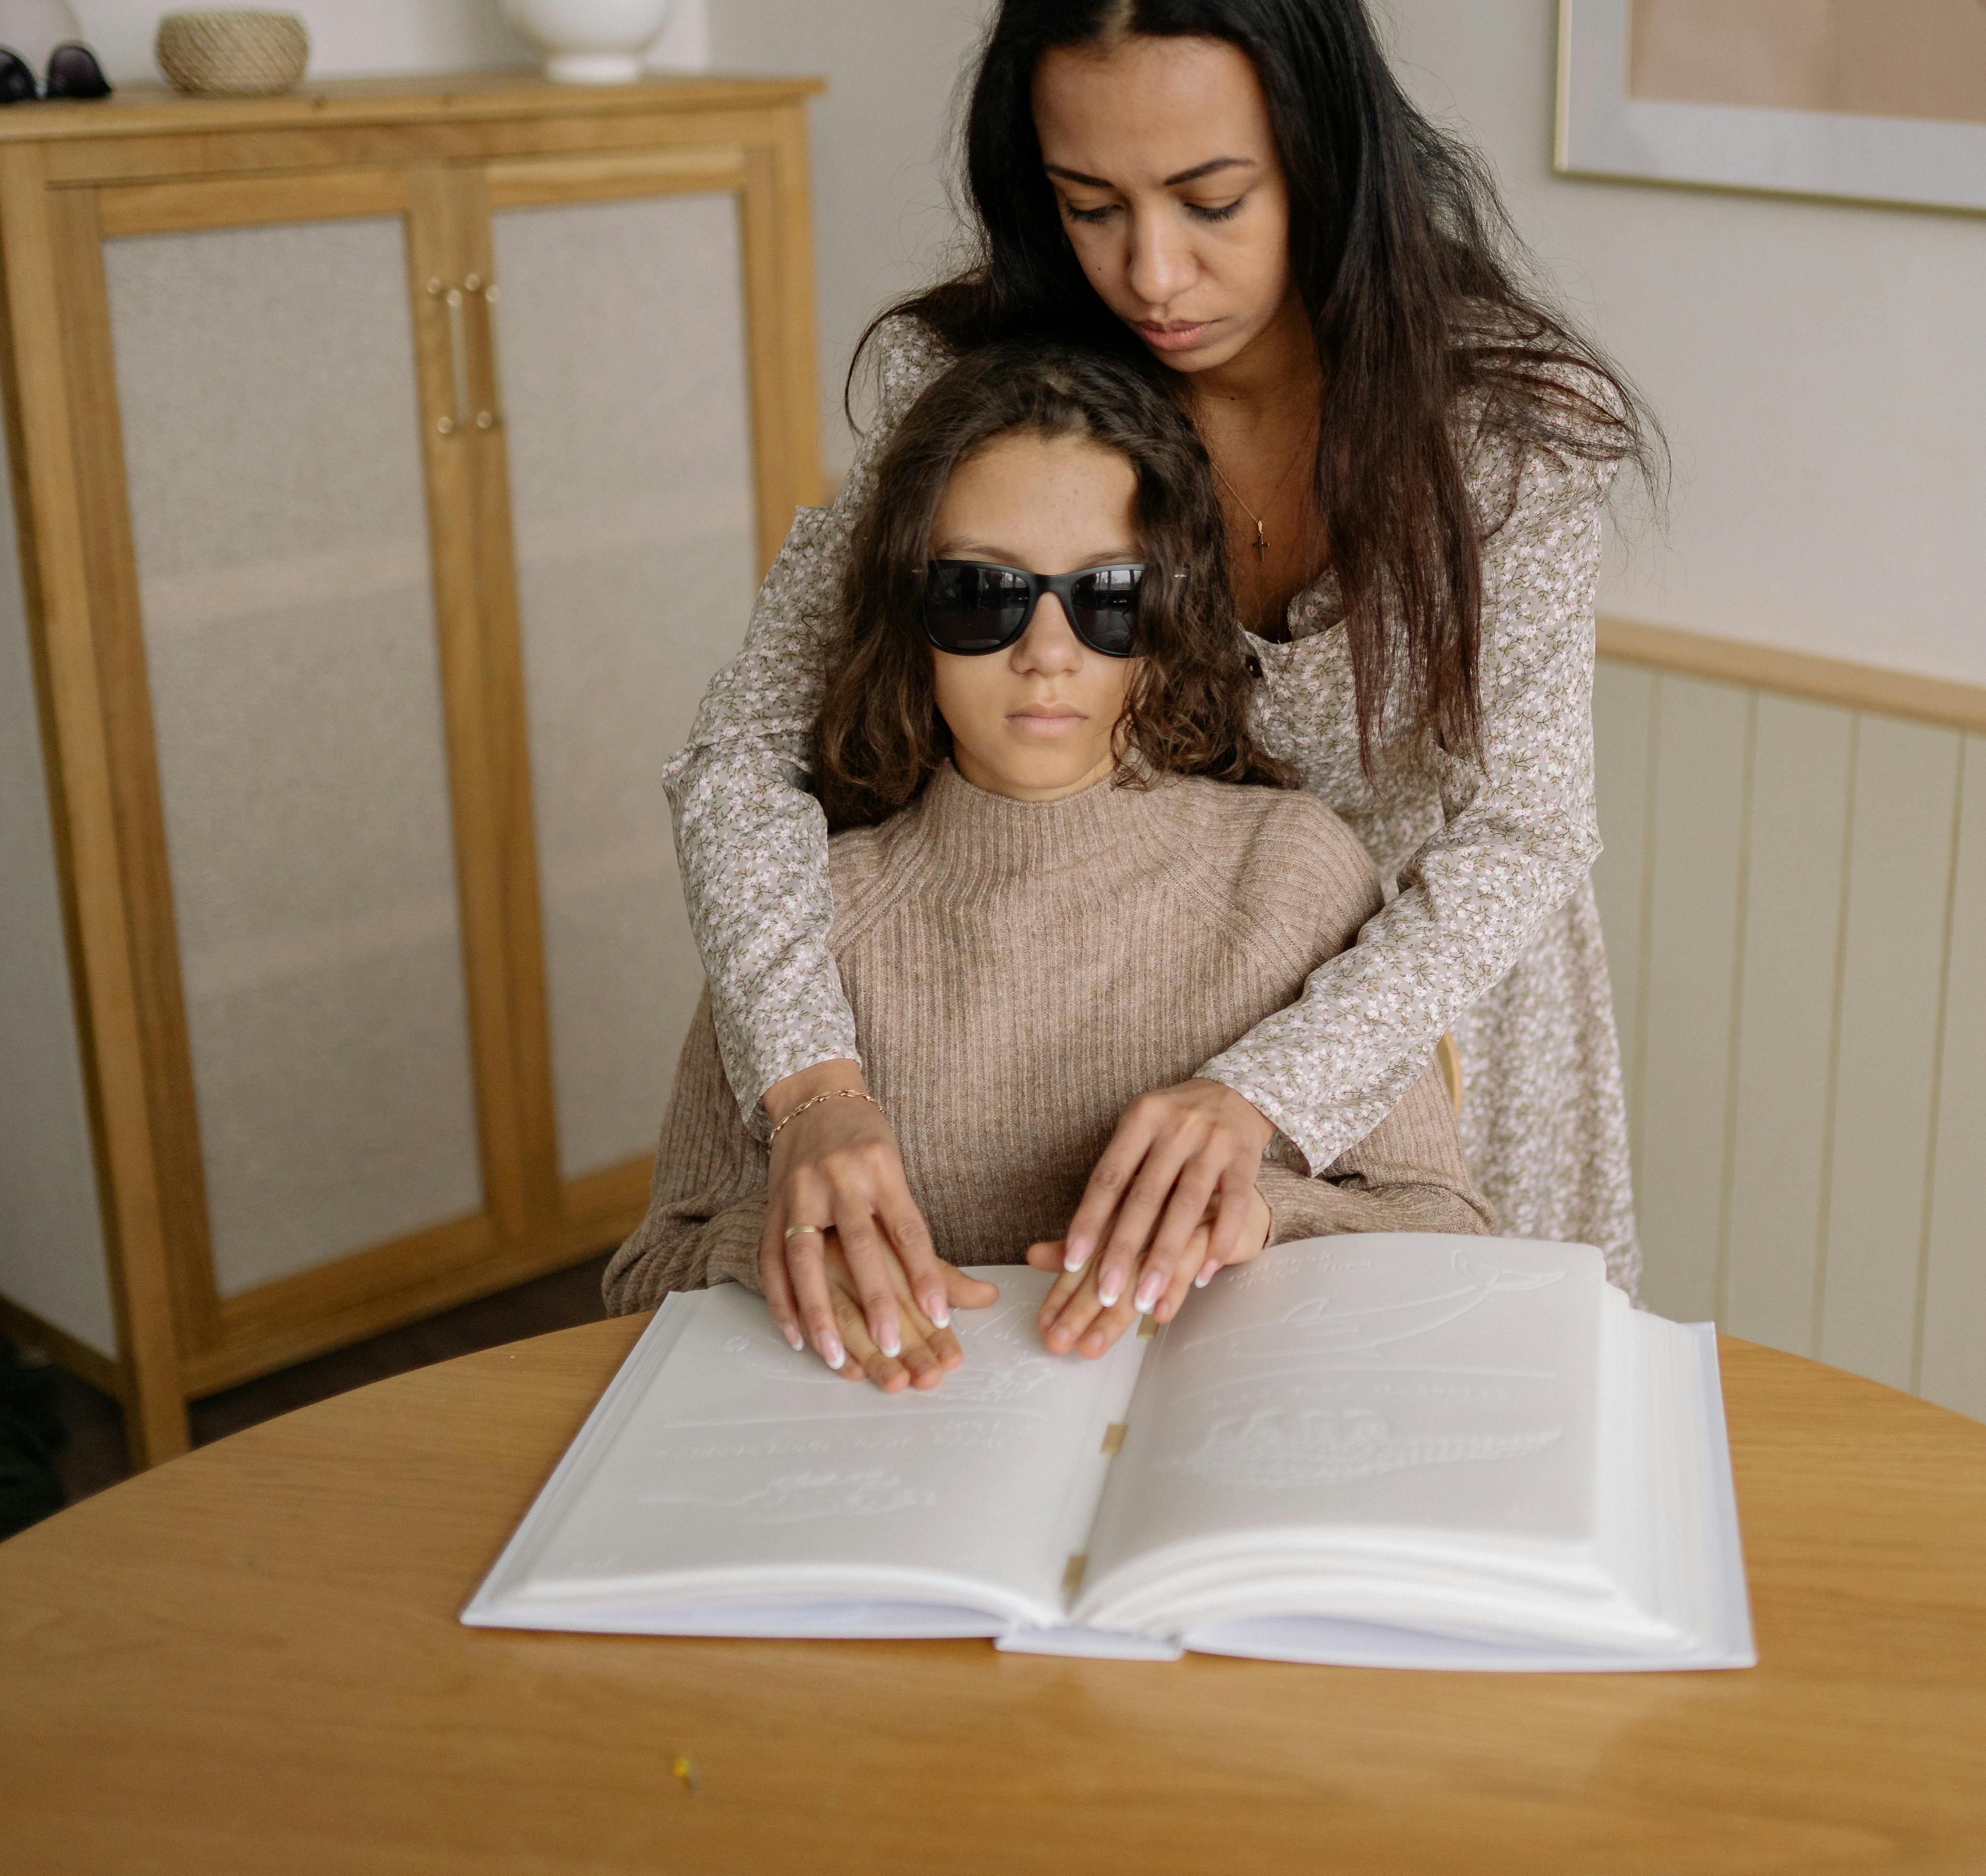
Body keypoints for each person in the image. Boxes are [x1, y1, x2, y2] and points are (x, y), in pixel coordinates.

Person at [667, 0, 1654, 1376]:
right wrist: (810, 1083)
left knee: (1445, 1447)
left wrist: (1268, 1093)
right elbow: (741, 756)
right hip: (1115, 1028)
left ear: (1321, 146)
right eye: (1089, 203)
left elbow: (1525, 831)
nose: (1152, 272)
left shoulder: (1503, 426)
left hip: (1427, 1046)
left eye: (1210, 197)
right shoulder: (990, 391)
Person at [608, 341, 1484, 1387]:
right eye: (984, 592)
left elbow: (1447, 1227)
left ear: (1166, 622)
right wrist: (765, 1252)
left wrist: (1268, 1211)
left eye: (1107, 595)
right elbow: (648, 1268)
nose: (1047, 647)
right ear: (912, 615)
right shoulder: (800, 921)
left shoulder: (1289, 872)